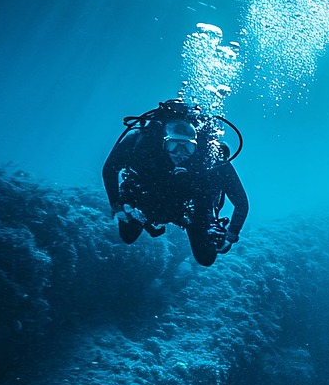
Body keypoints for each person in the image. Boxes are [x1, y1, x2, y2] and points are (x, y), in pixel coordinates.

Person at [102, 98, 249, 266]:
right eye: (173, 145)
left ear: (197, 146)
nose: (180, 153)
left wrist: (230, 235)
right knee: (127, 236)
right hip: (148, 201)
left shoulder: (210, 156)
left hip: (192, 209)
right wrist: (117, 205)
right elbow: (109, 169)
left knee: (206, 258)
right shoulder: (143, 142)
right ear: (163, 142)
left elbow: (241, 202)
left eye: (188, 147)